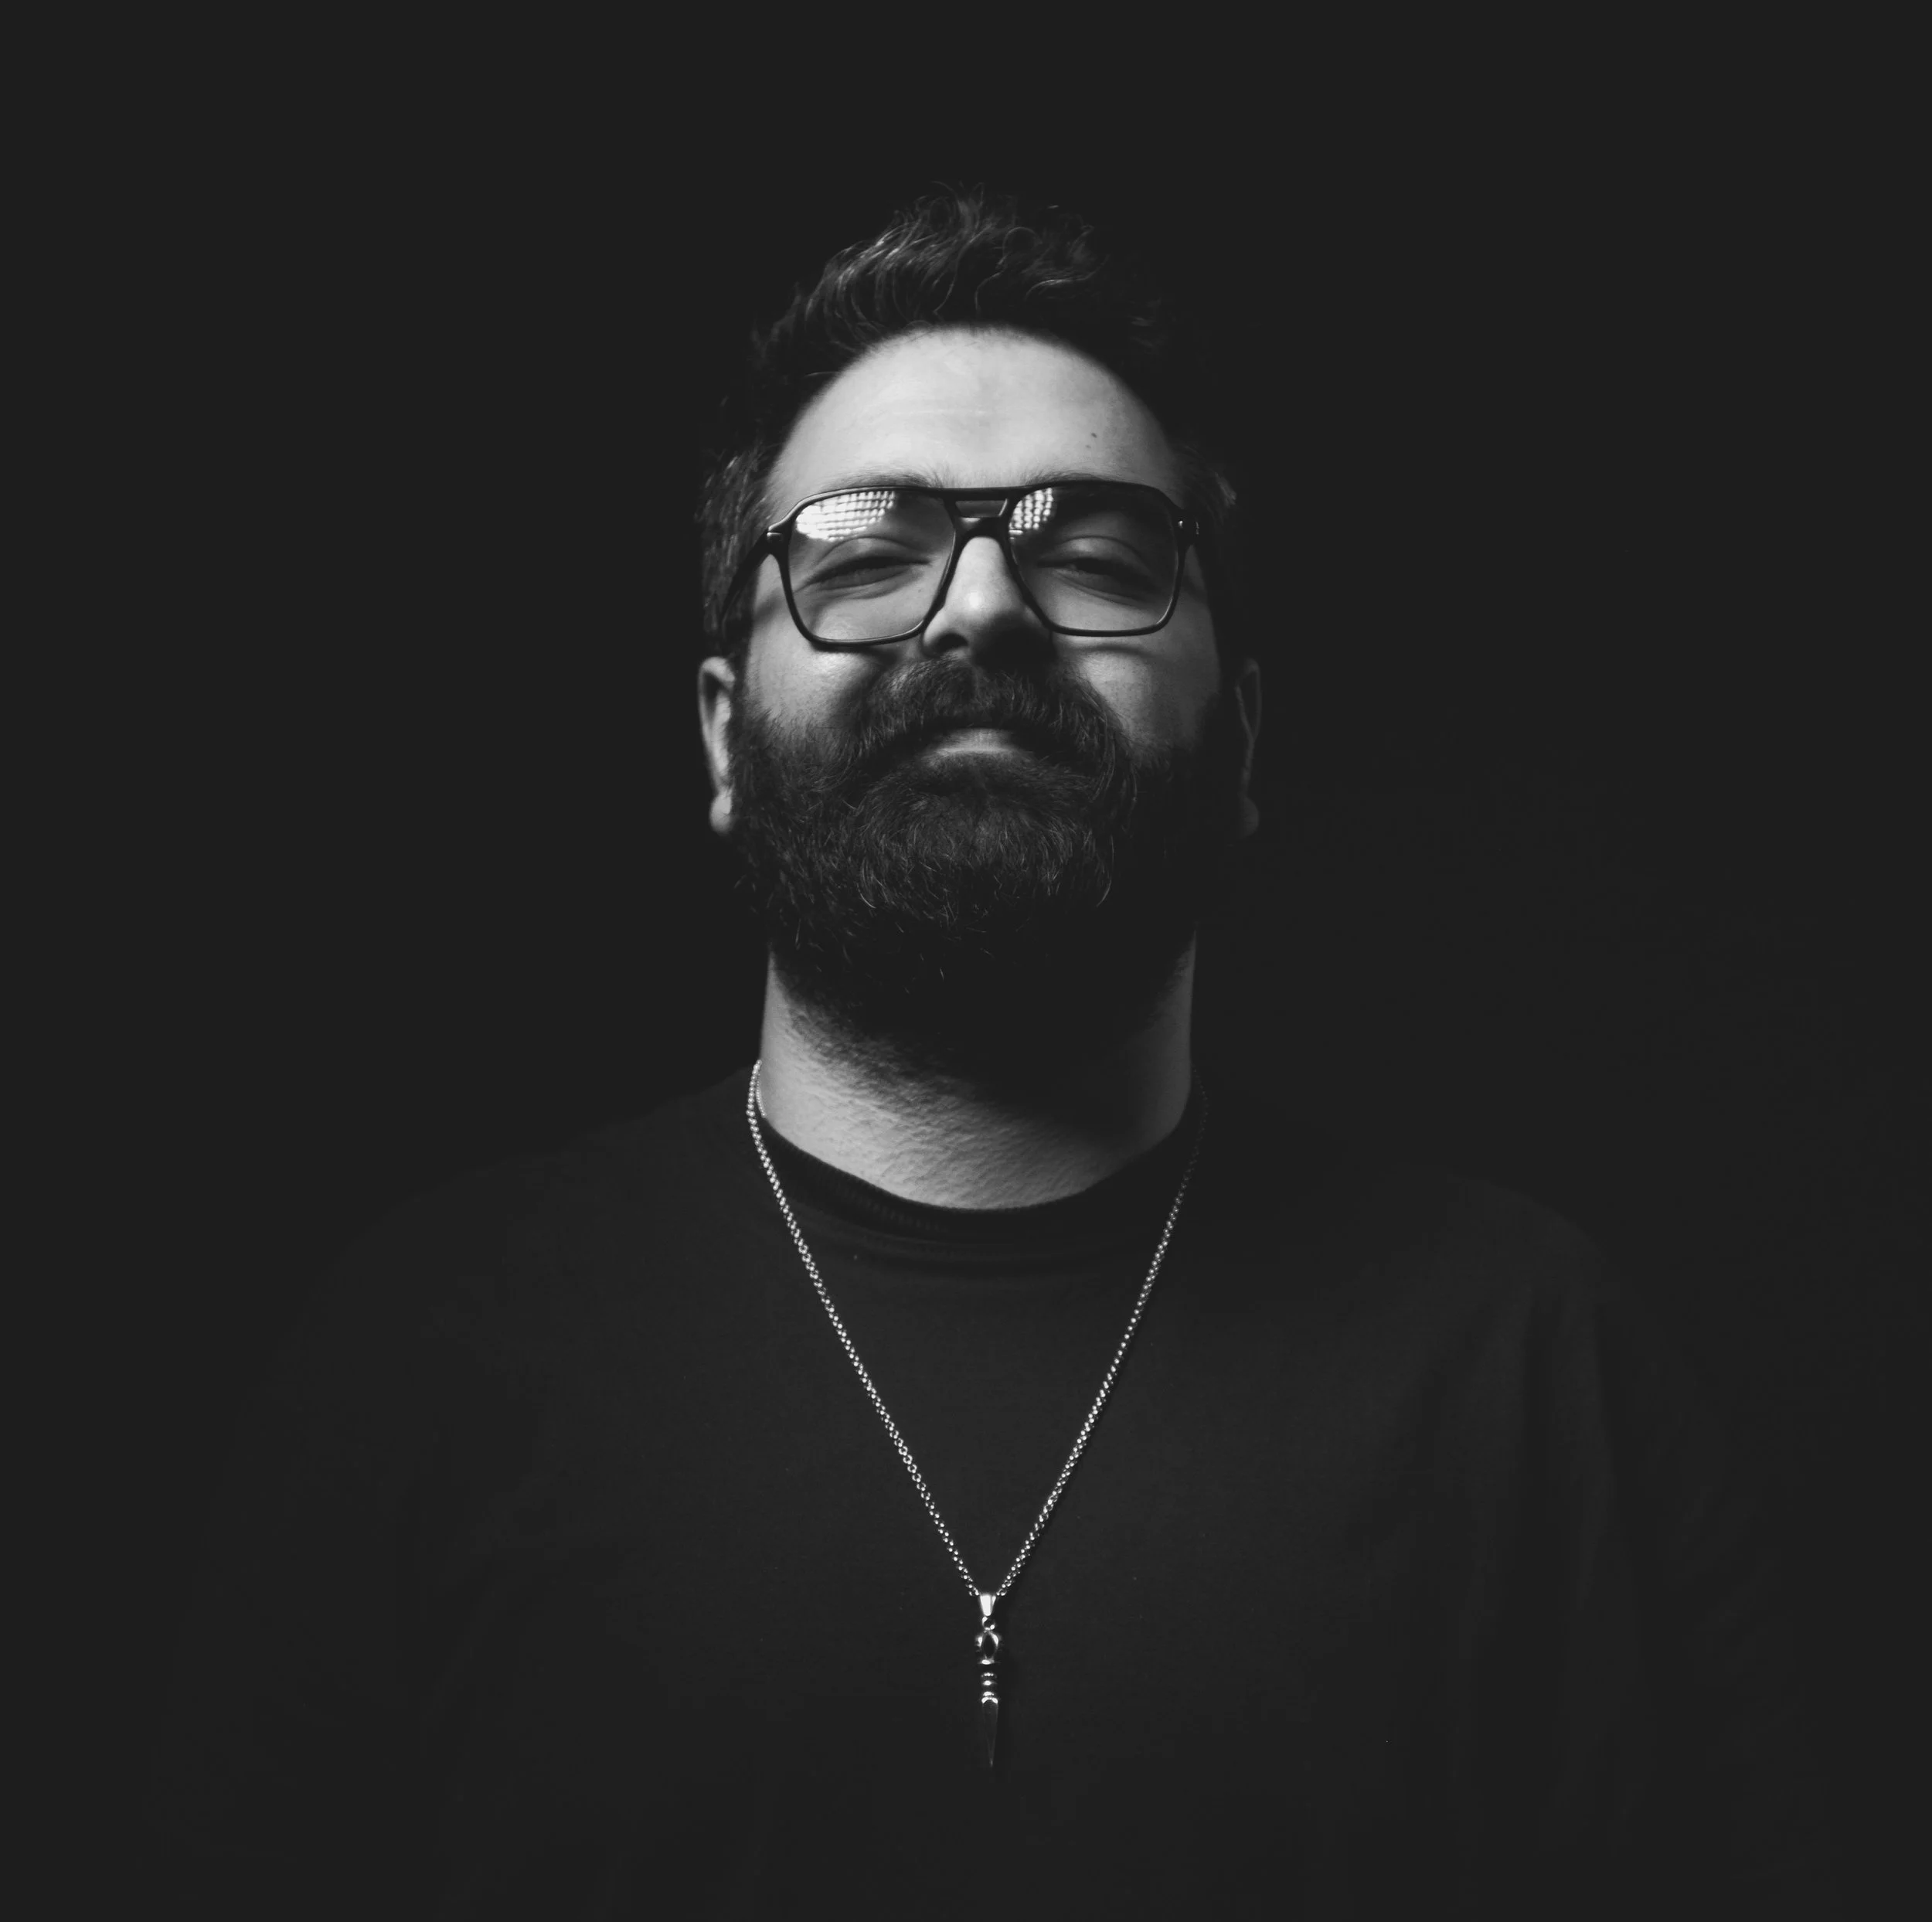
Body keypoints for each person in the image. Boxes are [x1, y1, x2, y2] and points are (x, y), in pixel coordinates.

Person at [144, 190, 1842, 1917]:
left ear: (1241, 736)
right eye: (866, 555)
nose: (979, 610)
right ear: (727, 732)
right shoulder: (424, 1350)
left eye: (1093, 554)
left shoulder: (1529, 1372)